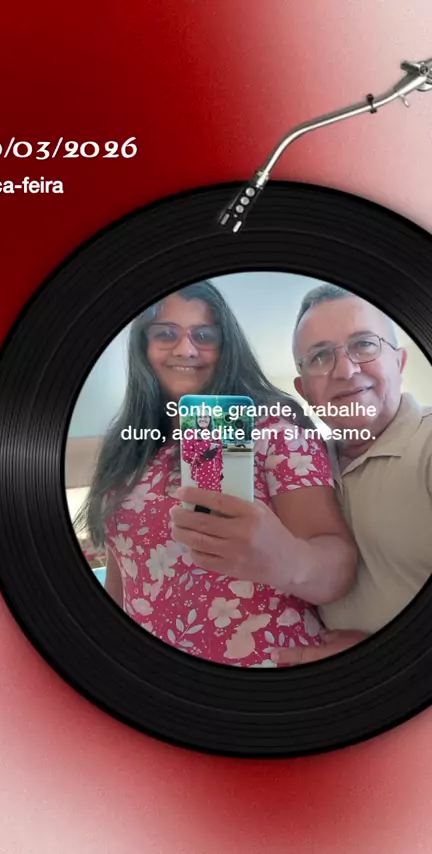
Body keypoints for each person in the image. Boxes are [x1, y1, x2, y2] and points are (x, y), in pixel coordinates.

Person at [76, 279, 356, 667]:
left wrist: (286, 557)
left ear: (226, 347)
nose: (186, 349)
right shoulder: (126, 450)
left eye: (204, 335)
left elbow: (338, 566)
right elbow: (122, 574)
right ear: (143, 346)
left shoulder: (274, 431)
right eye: (166, 334)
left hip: (260, 669)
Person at [273, 283, 432, 666]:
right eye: (320, 356)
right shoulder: (299, 471)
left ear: (399, 362)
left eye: (364, 345)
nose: (345, 370)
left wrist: (383, 659)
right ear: (304, 390)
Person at [181, 413, 223, 491]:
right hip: (200, 474)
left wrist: (220, 470)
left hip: (215, 475)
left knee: (214, 497)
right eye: (200, 417)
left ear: (210, 418)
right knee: (201, 497)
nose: (202, 419)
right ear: (196, 419)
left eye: (206, 416)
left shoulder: (215, 433)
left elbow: (219, 455)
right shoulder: (190, 433)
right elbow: (185, 454)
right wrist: (202, 456)